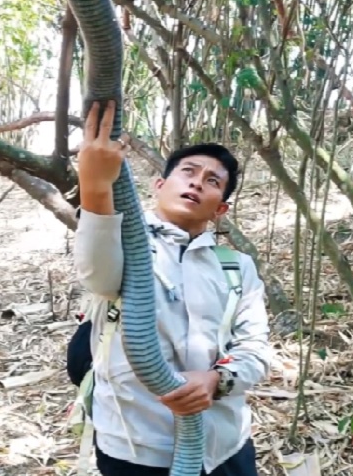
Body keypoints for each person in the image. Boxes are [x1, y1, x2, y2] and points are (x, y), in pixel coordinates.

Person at [72, 101, 271, 476]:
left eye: (213, 181)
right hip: (138, 450)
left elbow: (255, 346)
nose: (197, 182)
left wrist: (217, 379)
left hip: (224, 447)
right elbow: (97, 273)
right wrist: (96, 188)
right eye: (188, 172)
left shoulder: (235, 267)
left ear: (220, 210)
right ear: (160, 186)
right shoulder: (126, 243)